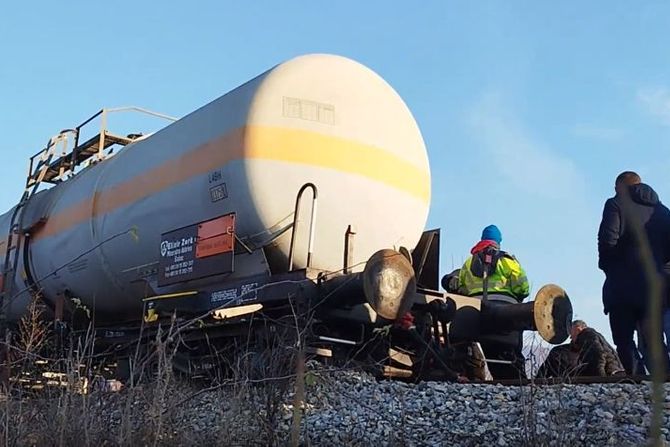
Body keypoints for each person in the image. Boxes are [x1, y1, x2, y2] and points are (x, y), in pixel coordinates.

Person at [598, 171, 670, 374]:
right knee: (654, 340)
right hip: (654, 286)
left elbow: (607, 241)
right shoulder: (663, 212)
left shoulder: (616, 204)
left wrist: (608, 267)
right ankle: (664, 382)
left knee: (623, 338)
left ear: (621, 186)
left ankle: (636, 380)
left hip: (623, 285)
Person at [458, 225, 530, 379]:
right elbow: (523, 288)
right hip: (506, 314)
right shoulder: (508, 262)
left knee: (488, 348)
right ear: (498, 242)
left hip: (477, 314)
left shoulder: (469, 263)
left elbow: (461, 287)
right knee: (509, 357)